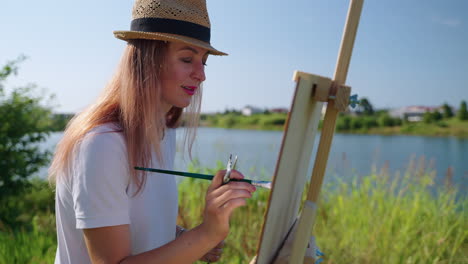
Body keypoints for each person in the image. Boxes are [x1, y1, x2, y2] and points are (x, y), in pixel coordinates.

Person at [48, 0, 256, 263]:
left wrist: (184, 239)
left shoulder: (163, 132)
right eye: (187, 59)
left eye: (204, 61)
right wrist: (206, 233)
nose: (201, 75)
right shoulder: (102, 144)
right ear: (147, 59)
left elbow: (140, 223)